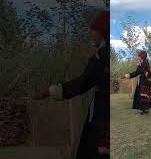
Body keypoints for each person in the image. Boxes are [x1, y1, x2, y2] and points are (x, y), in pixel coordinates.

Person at [32, 11, 109, 159]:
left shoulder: (102, 55)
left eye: (95, 31)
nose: (92, 34)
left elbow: (83, 83)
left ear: (102, 31)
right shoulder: (102, 54)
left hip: (103, 113)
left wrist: (50, 91)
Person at [122, 51, 151, 115]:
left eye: (139, 56)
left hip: (145, 82)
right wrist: (127, 76)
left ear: (142, 56)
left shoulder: (144, 63)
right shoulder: (143, 63)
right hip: (144, 81)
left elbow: (140, 72)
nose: (138, 57)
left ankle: (144, 110)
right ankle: (145, 109)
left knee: (144, 95)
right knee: (144, 95)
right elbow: (137, 72)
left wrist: (127, 75)